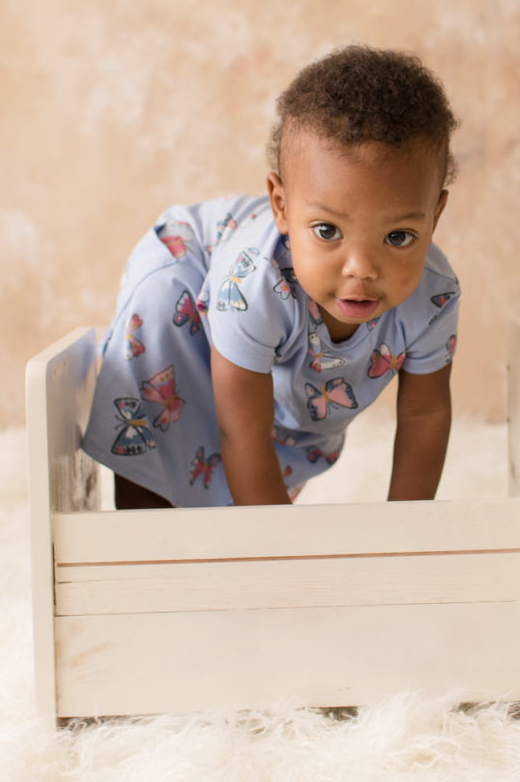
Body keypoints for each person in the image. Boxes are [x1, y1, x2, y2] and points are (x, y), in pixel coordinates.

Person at [82, 44, 461, 508]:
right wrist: (277, 557)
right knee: (163, 352)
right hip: (192, 264)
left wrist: (404, 535)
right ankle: (143, 525)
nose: (361, 267)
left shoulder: (434, 295)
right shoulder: (254, 286)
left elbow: (425, 414)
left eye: (399, 236)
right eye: (327, 231)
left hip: (270, 337)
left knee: (277, 433)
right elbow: (242, 430)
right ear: (280, 207)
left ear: (435, 215)